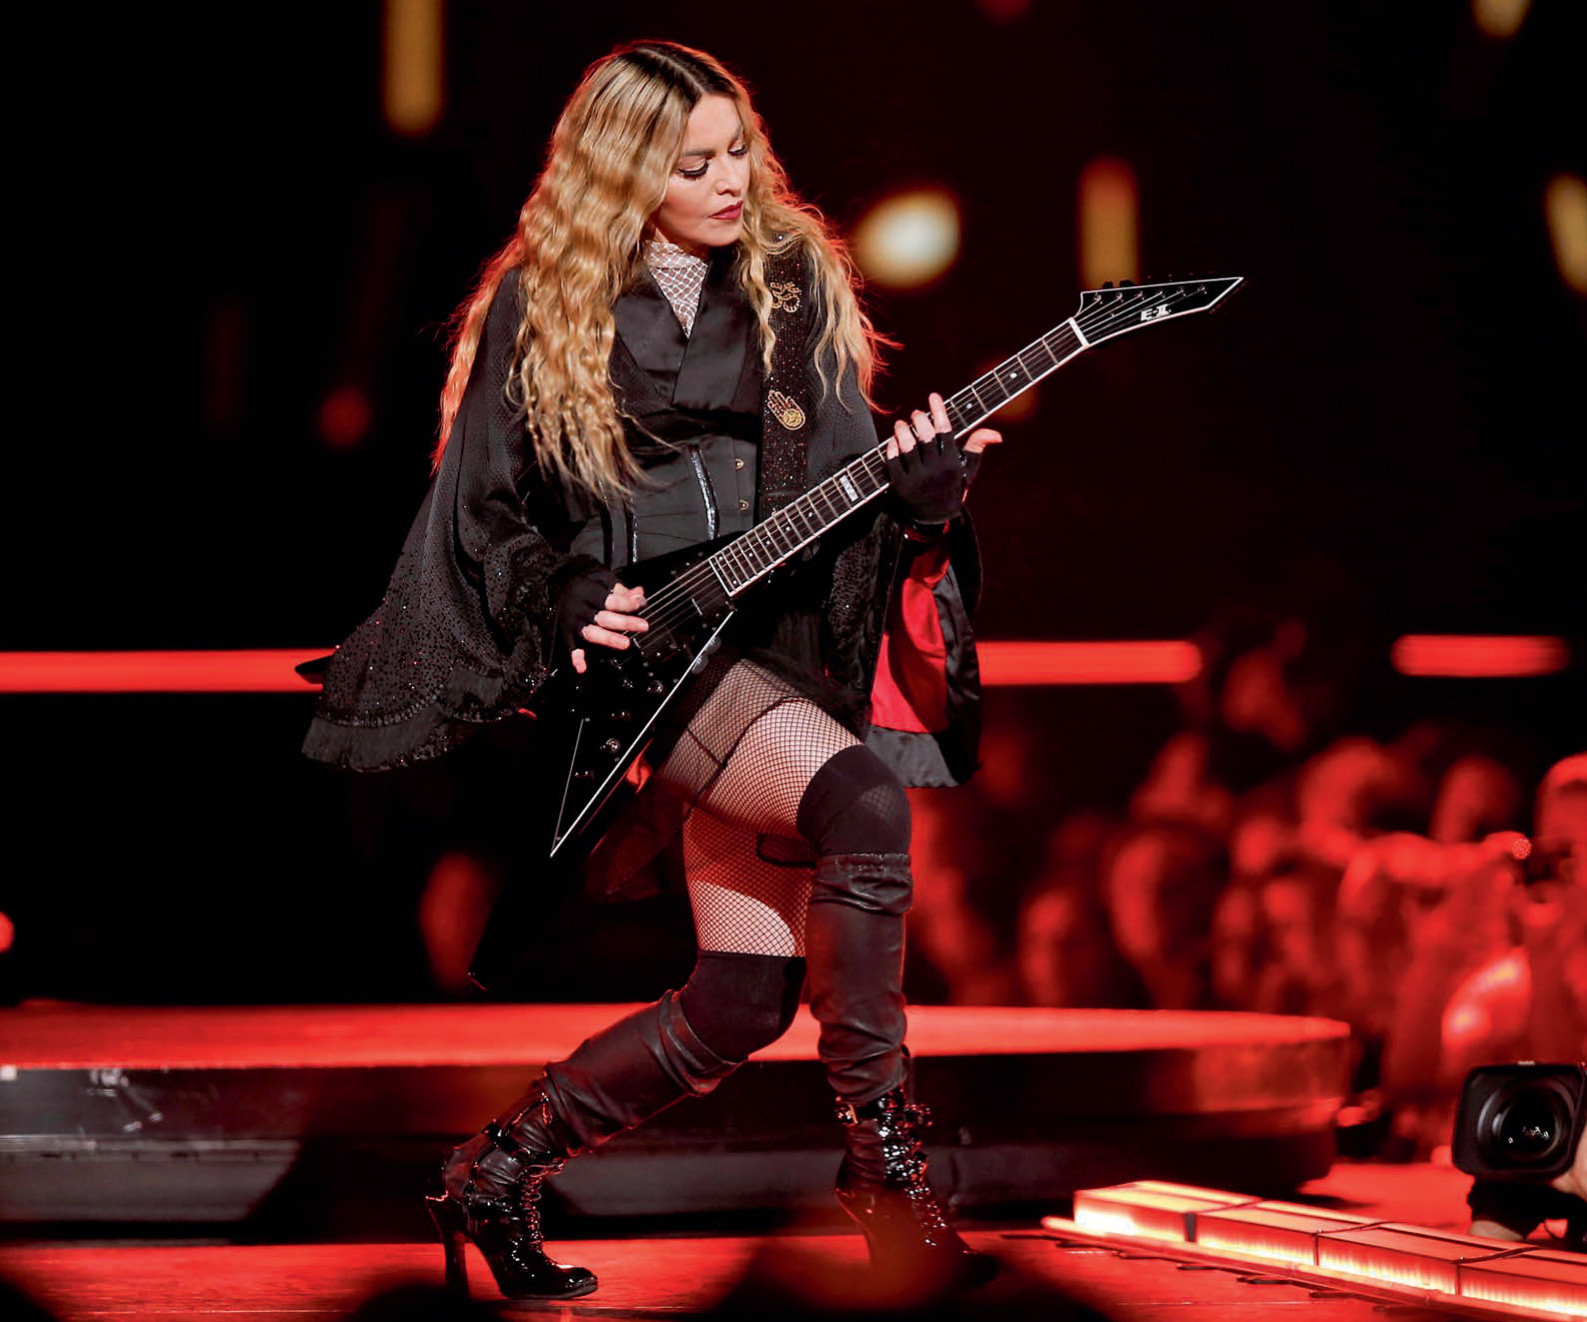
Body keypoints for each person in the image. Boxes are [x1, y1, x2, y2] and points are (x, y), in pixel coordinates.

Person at [301, 40, 1002, 1303]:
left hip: (777, 651)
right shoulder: (542, 302)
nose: (731, 181)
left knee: (740, 1001)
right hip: (657, 661)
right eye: (694, 165)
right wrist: (562, 585)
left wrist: (928, 500)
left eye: (739, 151)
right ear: (623, 175)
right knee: (865, 803)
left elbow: (856, 487)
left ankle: (492, 1172)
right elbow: (483, 508)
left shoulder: (792, 281)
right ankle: (886, 1170)